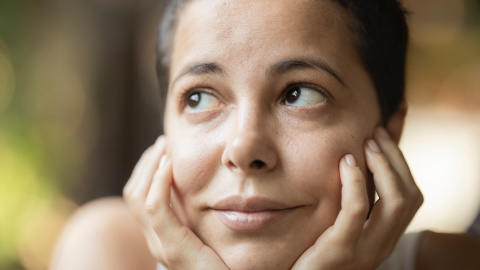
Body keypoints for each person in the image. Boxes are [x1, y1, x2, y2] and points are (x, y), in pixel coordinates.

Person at [51, 0, 430, 269]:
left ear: (389, 131)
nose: (245, 147)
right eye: (199, 97)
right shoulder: (108, 252)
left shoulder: (452, 261)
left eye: (299, 94)